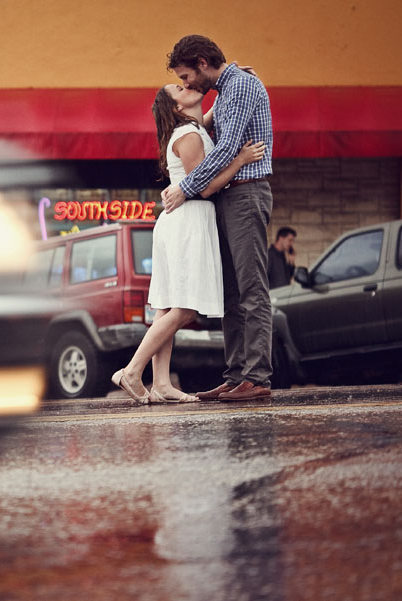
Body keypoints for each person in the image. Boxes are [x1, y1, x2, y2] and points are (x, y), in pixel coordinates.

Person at [111, 83, 266, 404]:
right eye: (179, 88)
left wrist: (231, 82)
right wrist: (240, 160)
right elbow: (204, 187)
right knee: (184, 307)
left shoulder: (194, 127)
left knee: (167, 305)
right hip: (188, 221)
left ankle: (162, 383)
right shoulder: (189, 135)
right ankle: (131, 370)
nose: (188, 85)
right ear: (176, 107)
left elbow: (210, 115)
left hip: (179, 222)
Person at [160, 34, 275, 402]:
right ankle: (236, 374)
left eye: (186, 76)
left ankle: (256, 377)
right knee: (232, 294)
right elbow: (210, 131)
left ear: (202, 63)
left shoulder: (239, 86)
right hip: (228, 197)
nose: (187, 83)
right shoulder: (228, 90)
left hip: (246, 193)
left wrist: (186, 187)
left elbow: (227, 148)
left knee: (251, 288)